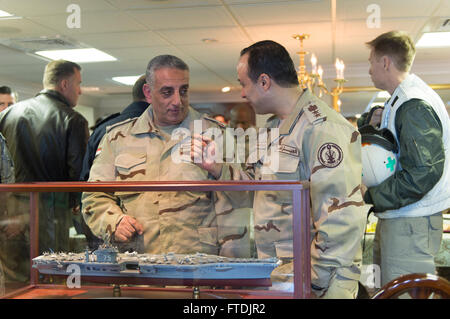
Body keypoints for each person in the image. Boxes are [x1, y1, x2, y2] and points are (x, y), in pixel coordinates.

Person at [195, 40, 367, 298]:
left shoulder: (323, 128)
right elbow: (254, 186)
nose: (242, 93)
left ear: (264, 82)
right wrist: (217, 168)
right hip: (283, 275)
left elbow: (341, 221)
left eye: (244, 84)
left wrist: (310, 284)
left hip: (319, 282)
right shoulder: (272, 128)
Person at [81, 55, 235, 255]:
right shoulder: (117, 138)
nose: (177, 101)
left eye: (184, 91)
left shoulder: (217, 135)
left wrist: (232, 267)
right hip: (138, 264)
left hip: (199, 266)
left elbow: (239, 201)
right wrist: (113, 221)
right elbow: (94, 195)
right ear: (148, 92)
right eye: (167, 92)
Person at [361, 31, 449, 286]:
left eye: (371, 61)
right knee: (389, 290)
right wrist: (373, 119)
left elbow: (421, 174)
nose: (368, 69)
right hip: (402, 218)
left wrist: (370, 196)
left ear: (386, 62)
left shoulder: (413, 104)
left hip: (411, 223)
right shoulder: (400, 100)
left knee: (404, 293)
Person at [0, 59, 89, 281]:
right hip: (51, 211)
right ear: (65, 84)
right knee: (51, 274)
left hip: (9, 212)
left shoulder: (7, 114)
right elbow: (78, 174)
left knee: (14, 277)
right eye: (78, 83)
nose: (80, 90)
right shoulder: (72, 119)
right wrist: (76, 203)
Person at [80, 75, 149, 182]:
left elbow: (85, 178)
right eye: (166, 93)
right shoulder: (159, 129)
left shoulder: (102, 129)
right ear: (148, 93)